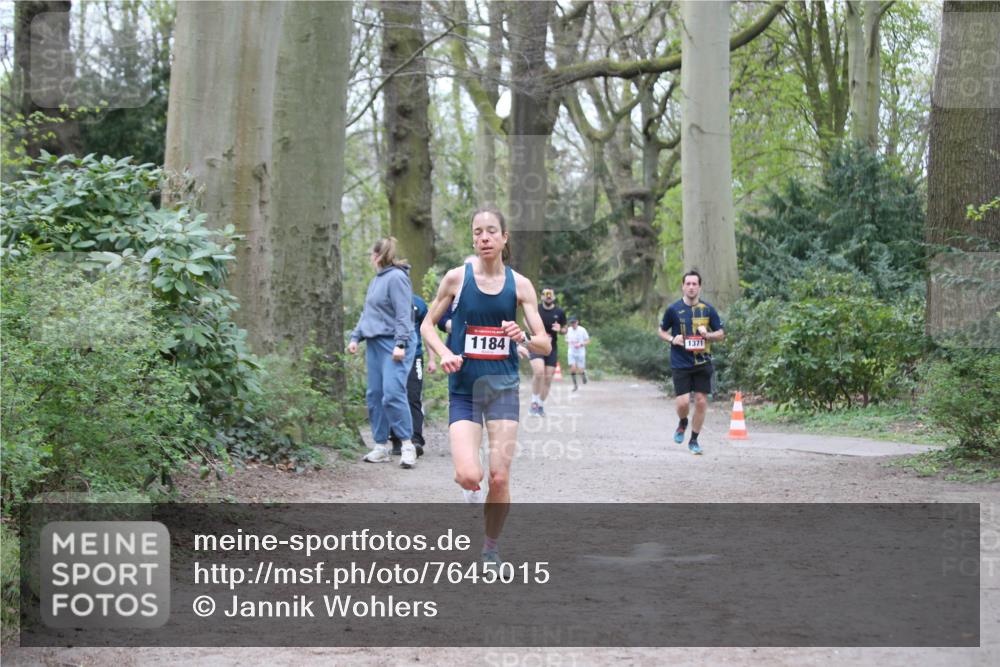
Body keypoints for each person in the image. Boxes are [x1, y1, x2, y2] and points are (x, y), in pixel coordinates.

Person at [421, 207, 550, 569]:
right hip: (463, 388)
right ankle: (471, 486)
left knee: (499, 475)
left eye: (492, 231)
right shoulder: (455, 279)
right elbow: (427, 326)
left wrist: (523, 335)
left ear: (505, 237)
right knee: (468, 475)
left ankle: (490, 547)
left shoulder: (520, 285)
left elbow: (544, 343)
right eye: (478, 232)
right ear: (473, 239)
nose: (484, 238)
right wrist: (444, 352)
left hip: (503, 389)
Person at [348, 237, 420, 469]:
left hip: (395, 344)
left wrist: (400, 343)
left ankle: (407, 445)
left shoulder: (397, 278)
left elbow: (403, 314)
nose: (370, 258)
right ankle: (380, 446)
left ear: (377, 256)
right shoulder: (375, 281)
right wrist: (355, 337)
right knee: (375, 394)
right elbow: (367, 313)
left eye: (371, 254)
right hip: (374, 344)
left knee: (392, 393)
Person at [657, 270, 725, 455]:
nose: (691, 287)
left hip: (702, 362)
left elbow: (720, 334)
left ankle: (694, 440)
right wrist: (672, 339)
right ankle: (683, 422)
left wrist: (707, 335)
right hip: (680, 363)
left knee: (702, 402)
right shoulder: (673, 309)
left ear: (700, 287)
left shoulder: (708, 310)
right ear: (683, 286)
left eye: (695, 284)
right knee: (683, 403)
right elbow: (661, 331)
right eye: (688, 284)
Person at [389, 294, 437, 458]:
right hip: (391, 356)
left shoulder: (419, 304)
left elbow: (427, 332)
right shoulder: (387, 300)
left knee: (413, 396)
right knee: (392, 395)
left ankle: (416, 440)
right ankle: (396, 438)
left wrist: (432, 359)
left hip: (414, 356)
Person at [528, 287, 566, 416]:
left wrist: (560, 329)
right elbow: (525, 320)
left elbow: (565, 329)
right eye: (545, 295)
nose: (548, 298)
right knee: (539, 372)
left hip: (551, 347)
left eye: (550, 296)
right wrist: (533, 331)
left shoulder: (559, 312)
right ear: (542, 297)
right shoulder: (536, 309)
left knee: (548, 378)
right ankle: (533, 402)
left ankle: (540, 404)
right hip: (537, 345)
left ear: (553, 297)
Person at [565, 316, 590, 391]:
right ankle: (575, 385)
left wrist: (581, 344)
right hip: (571, 351)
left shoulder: (582, 330)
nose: (573, 324)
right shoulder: (568, 330)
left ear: (577, 322)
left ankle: (583, 375)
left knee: (580, 369)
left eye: (574, 322)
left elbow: (588, 341)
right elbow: (566, 339)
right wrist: (569, 342)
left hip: (580, 352)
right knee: (572, 368)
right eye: (571, 323)